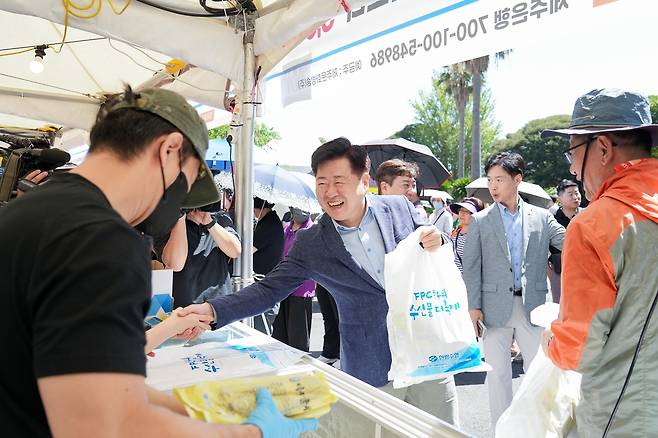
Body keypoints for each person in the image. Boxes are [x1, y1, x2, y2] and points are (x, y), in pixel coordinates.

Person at [0, 86, 315, 438]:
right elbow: (110, 423)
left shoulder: (36, 210)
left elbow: (89, 377)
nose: (175, 205)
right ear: (168, 150)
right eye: (183, 186)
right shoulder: (103, 238)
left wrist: (205, 412)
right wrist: (251, 433)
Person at [180, 138, 459, 430]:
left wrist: (439, 240)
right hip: (371, 365)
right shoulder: (313, 243)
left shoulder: (399, 207)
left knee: (444, 432)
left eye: (339, 181)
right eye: (322, 183)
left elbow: (441, 246)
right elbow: (268, 289)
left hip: (428, 355)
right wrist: (211, 311)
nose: (330, 192)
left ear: (364, 181)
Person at [540, 89, 658, 438]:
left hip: (625, 412)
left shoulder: (594, 225)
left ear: (603, 149)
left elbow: (579, 349)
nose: (573, 169)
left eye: (573, 153)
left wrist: (550, 340)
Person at [462, 151, 566, 426]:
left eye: (499, 179)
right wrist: (473, 307)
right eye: (490, 180)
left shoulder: (542, 217)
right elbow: (471, 267)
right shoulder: (481, 221)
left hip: (533, 305)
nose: (493, 186)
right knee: (497, 375)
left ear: (517, 179)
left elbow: (569, 241)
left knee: (538, 371)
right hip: (493, 307)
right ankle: (501, 430)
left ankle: (539, 428)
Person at [158, 206, 241, 307]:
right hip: (183, 310)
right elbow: (176, 264)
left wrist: (210, 223)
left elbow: (235, 251)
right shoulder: (166, 221)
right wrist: (180, 218)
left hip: (219, 307)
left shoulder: (219, 217)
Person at [272, 207, 316, 352]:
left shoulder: (312, 230)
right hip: (283, 288)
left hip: (301, 289)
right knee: (280, 334)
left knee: (298, 338)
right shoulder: (287, 228)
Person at [547, 179, 582, 302]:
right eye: (570, 194)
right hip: (559, 270)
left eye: (577, 193)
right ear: (560, 198)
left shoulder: (587, 215)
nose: (575, 197)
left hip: (584, 268)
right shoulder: (552, 219)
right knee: (560, 304)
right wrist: (550, 272)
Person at [449, 197, 484, 274]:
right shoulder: (455, 232)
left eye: (468, 211)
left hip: (469, 282)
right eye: (461, 210)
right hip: (453, 280)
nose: (462, 213)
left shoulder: (479, 237)